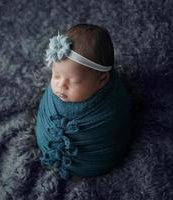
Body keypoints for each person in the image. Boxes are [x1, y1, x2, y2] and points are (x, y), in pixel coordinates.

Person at [35, 24, 132, 180]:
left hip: (93, 161)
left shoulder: (111, 109)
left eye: (74, 82)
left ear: (102, 80)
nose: (61, 86)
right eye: (56, 75)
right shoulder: (56, 93)